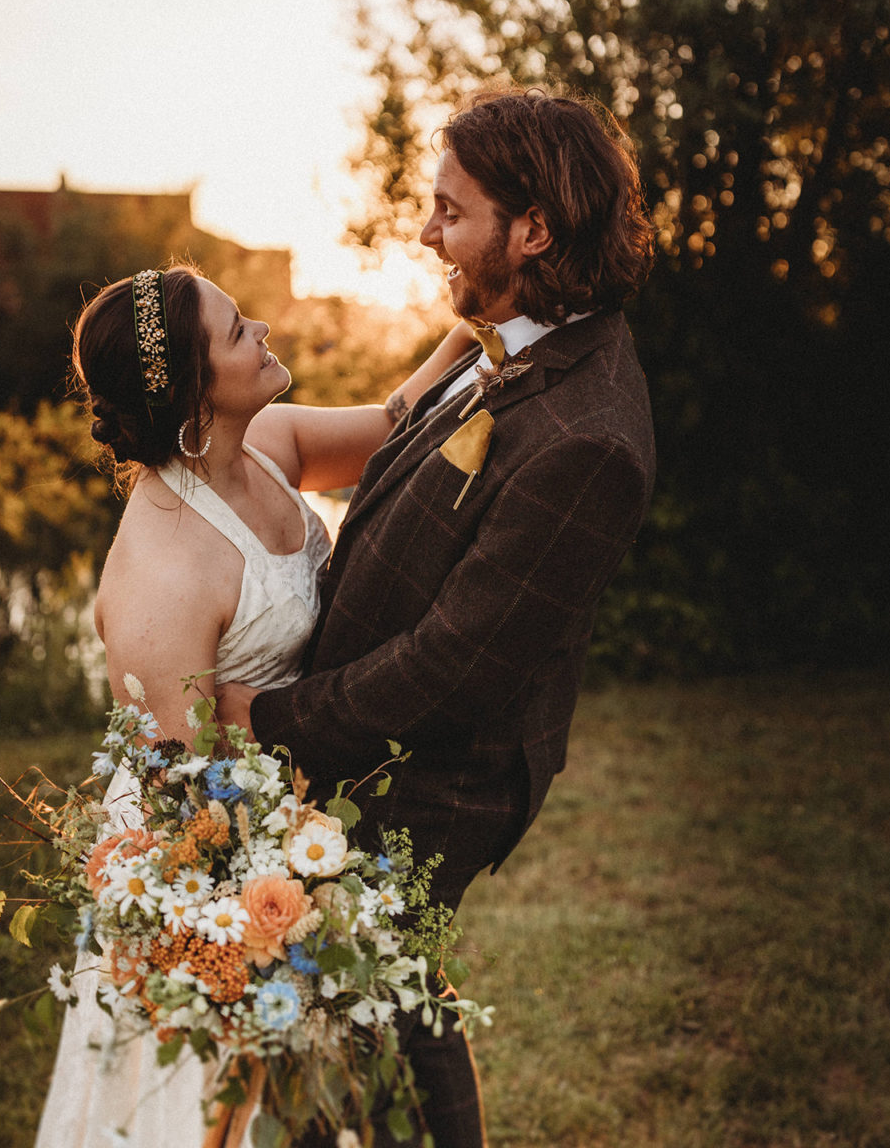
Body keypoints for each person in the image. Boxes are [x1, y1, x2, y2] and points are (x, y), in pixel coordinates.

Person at [220, 84, 657, 1146]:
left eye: (448, 210)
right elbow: (401, 451)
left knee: (361, 998)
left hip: (444, 767)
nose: (425, 233)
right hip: (377, 738)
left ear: (534, 229)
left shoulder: (586, 435)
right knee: (380, 1004)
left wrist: (273, 718)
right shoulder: (497, 340)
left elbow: (458, 660)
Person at [34, 263, 476, 1148]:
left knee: (403, 1061)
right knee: (264, 1099)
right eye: (239, 332)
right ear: (198, 392)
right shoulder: (161, 571)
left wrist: (471, 329)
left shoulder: (268, 442)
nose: (264, 329)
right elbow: (188, 797)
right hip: (229, 860)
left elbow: (395, 427)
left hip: (316, 792)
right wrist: (298, 904)